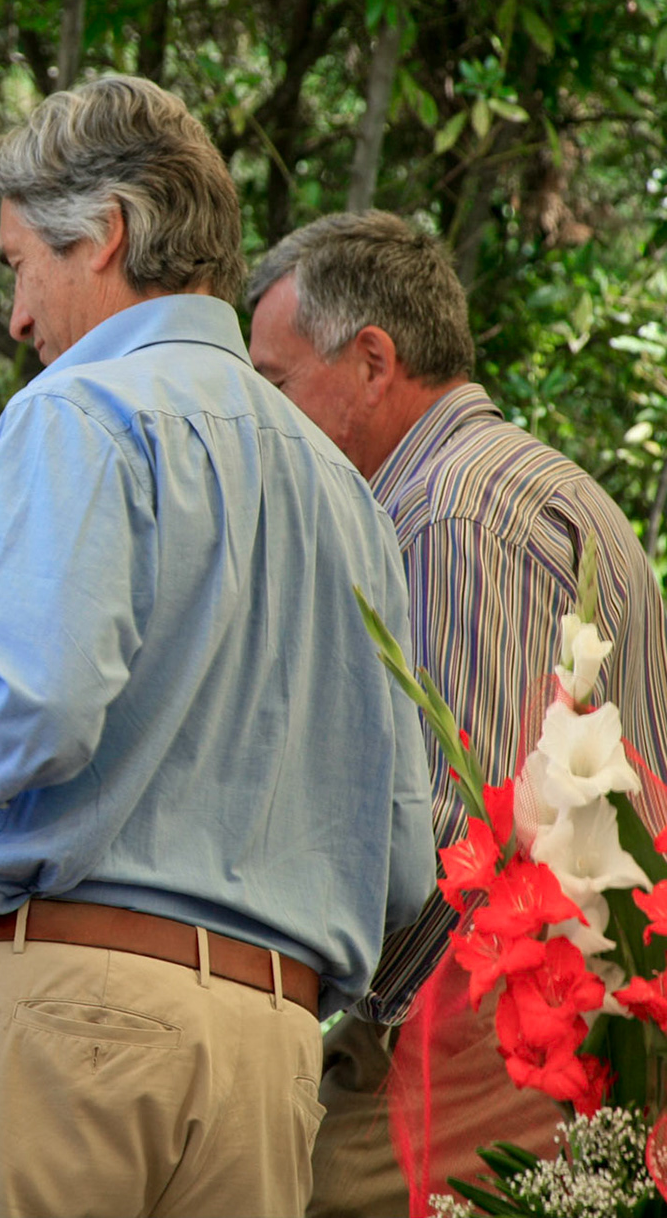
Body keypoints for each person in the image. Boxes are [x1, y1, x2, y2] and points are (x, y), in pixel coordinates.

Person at [0, 75, 436, 1217]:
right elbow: (405, 859)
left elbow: (27, 716)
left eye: (19, 263)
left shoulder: (81, 408)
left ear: (103, 235)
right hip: (269, 1055)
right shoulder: (341, 484)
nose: (15, 316)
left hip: (64, 1028)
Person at [244, 210, 667, 1215]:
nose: (264, 419)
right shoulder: (501, 479)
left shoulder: (448, 509)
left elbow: (459, 827)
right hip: (561, 1010)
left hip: (500, 1027)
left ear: (373, 359)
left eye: (273, 383)